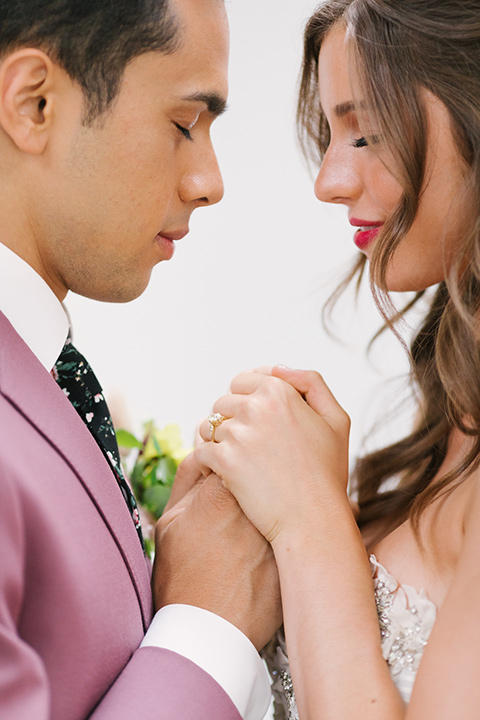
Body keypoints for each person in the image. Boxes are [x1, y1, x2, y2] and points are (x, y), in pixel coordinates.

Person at [193, 0, 480, 717]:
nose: (328, 181)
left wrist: (311, 522)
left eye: (366, 133)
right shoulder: (454, 416)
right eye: (331, 135)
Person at [0, 0, 282, 718]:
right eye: (184, 124)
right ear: (32, 103)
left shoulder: (41, 373)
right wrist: (205, 625)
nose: (210, 181)